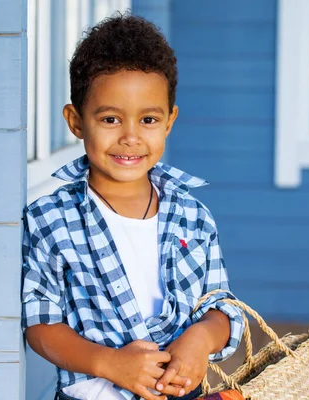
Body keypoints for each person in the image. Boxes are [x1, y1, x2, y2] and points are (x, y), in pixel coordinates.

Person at [21, 14, 244, 400]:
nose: (130, 137)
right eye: (110, 118)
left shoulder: (193, 217)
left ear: (169, 121)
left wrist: (200, 337)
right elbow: (41, 324)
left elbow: (221, 306)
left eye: (148, 119)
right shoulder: (50, 220)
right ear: (76, 121)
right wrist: (109, 363)